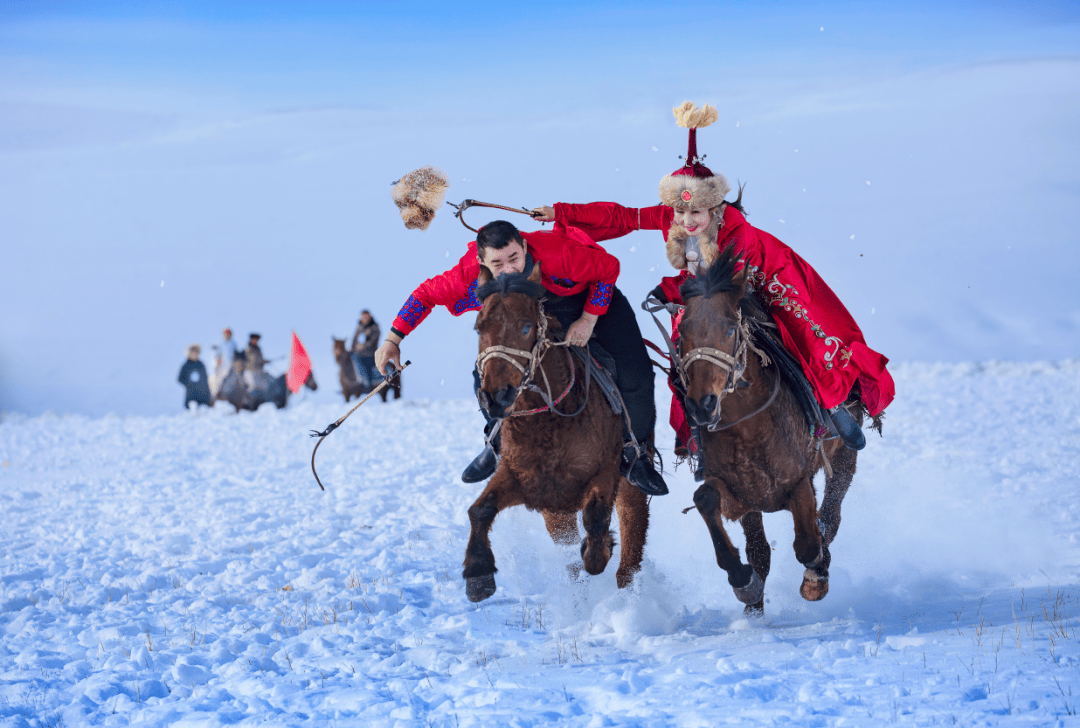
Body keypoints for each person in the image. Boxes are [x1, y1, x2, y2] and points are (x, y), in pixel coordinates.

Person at [532, 101, 895, 453]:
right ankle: (698, 433)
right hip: (702, 292)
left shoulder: (736, 231)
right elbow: (620, 217)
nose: (687, 220)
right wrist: (561, 212)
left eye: (697, 212)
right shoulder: (670, 217)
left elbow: (726, 279)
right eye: (680, 211)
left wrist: (669, 288)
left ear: (715, 207)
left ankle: (829, 407)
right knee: (684, 348)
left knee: (799, 334)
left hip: (761, 281)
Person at [374, 219, 669, 496]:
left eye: (514, 258)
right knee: (488, 371)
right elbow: (425, 295)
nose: (509, 269)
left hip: (586, 298)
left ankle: (634, 453)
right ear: (481, 263)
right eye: (497, 264)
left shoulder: (560, 254)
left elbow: (609, 267)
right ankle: (495, 441)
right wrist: (392, 340)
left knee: (635, 373)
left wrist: (588, 320)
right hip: (521, 311)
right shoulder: (466, 272)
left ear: (525, 247)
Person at [350, 310, 382, 387]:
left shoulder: (374, 327)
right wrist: (352, 349)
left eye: (366, 317)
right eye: (363, 317)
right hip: (358, 352)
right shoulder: (359, 328)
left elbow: (373, 340)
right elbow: (354, 340)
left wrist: (363, 346)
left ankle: (367, 381)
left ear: (369, 317)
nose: (364, 319)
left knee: (360, 360)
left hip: (370, 353)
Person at [178, 344, 212, 409]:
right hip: (191, 397)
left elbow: (205, 380)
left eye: (197, 352)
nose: (195, 354)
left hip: (203, 398)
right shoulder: (186, 365)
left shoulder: (201, 364)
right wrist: (189, 384)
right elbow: (180, 379)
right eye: (193, 352)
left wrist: (208, 395)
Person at [210, 327, 237, 397]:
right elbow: (217, 354)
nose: (227, 335)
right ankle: (217, 394)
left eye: (228, 334)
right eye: (226, 334)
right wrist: (218, 364)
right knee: (219, 381)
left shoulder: (233, 343)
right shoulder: (220, 343)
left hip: (231, 366)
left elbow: (235, 354)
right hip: (222, 365)